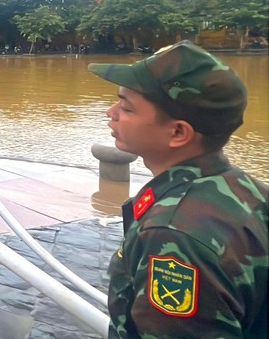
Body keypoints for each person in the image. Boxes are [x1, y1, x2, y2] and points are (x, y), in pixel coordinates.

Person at [89, 40, 267, 338]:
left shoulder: (172, 234)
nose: (111, 112)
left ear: (178, 132)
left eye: (126, 107)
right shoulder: (249, 189)